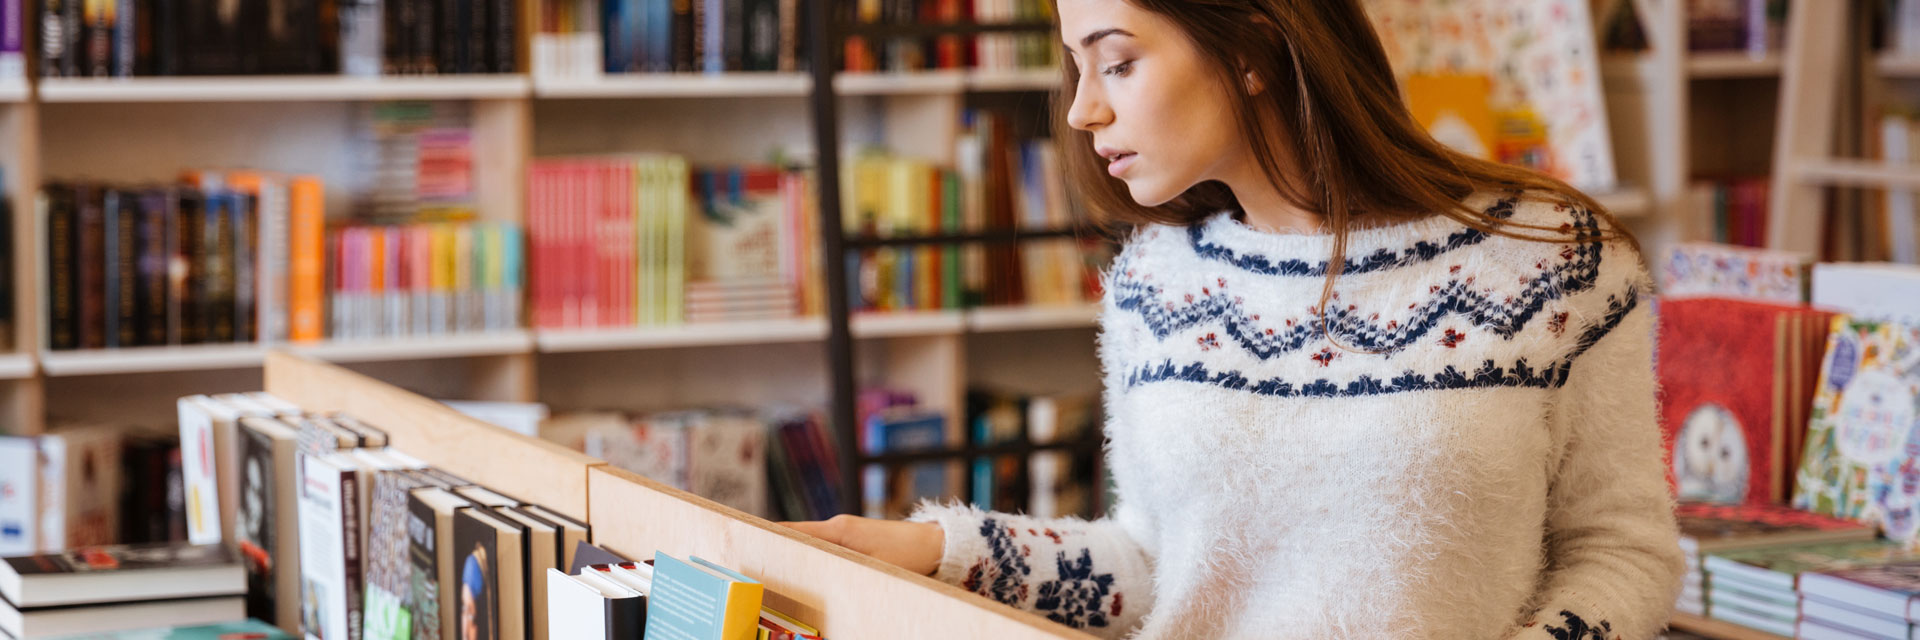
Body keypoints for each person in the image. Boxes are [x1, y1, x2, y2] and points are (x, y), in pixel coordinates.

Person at [782, 0, 1684, 638]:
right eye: (1077, 63)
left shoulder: (1554, 258)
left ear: (1252, 49)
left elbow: (1623, 553)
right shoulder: (1154, 284)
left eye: (1119, 59)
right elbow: (1153, 566)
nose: (1081, 107)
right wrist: (925, 547)